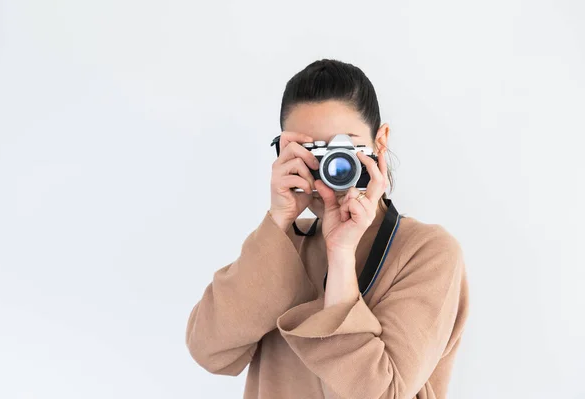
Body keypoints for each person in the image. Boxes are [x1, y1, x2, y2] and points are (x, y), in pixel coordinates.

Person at [186, 59, 469, 399]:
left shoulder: (426, 251)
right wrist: (278, 221)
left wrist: (341, 254)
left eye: (344, 149)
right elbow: (208, 351)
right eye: (310, 153)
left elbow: (381, 394)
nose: (332, 168)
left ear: (380, 143)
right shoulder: (283, 244)